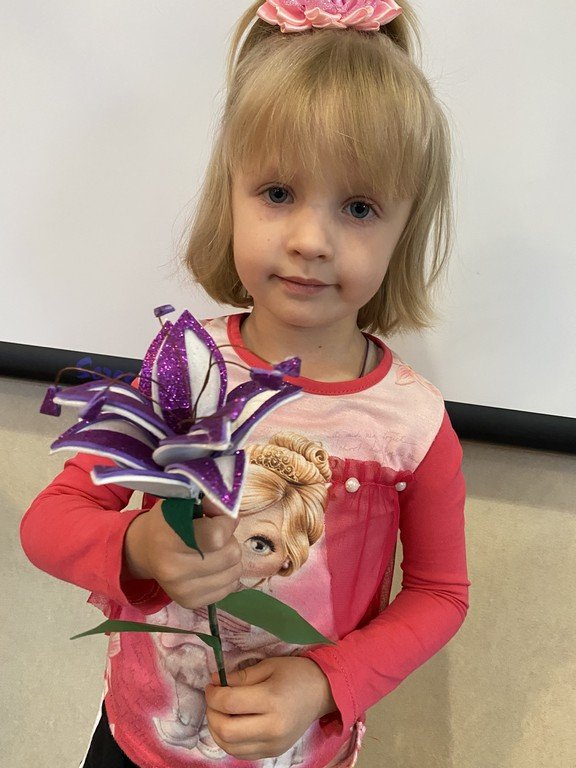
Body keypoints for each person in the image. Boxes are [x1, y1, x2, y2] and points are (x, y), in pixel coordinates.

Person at [20, 2, 470, 767]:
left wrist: (323, 681)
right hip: (139, 741)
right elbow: (50, 522)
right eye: (278, 193)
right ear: (228, 194)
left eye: (359, 207)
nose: (310, 239)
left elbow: (440, 594)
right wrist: (136, 545)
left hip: (299, 752)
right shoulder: (183, 370)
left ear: (406, 229)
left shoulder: (413, 426)